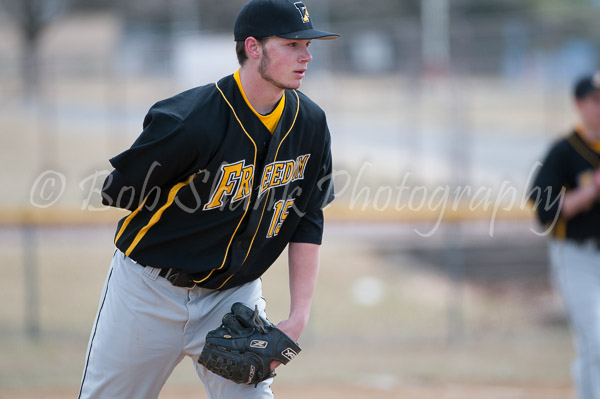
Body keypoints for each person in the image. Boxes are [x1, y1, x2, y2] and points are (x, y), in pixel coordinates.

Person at [78, 1, 339, 398]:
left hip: (233, 300)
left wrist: (299, 314)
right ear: (254, 48)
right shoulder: (192, 121)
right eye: (291, 44)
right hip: (150, 293)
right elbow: (120, 190)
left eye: (307, 44)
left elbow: (307, 217)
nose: (306, 55)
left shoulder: (311, 124)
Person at [530, 72, 600, 399]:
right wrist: (590, 192)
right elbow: (544, 210)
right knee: (595, 342)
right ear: (578, 104)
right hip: (576, 255)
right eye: (595, 101)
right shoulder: (565, 150)